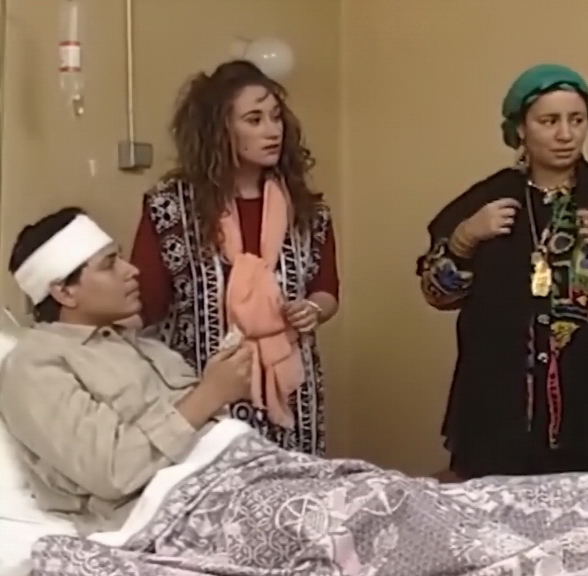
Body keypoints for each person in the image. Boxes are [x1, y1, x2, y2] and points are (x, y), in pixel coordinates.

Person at [416, 64, 588, 480]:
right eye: (549, 121)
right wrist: (464, 239)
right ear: (520, 128)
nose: (565, 134)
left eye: (577, 120)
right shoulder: (487, 200)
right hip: (500, 410)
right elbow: (437, 294)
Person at [129, 59, 338, 455]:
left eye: (276, 117)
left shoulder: (308, 210)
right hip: (202, 393)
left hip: (292, 391)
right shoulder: (171, 208)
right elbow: (146, 303)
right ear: (219, 129)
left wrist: (313, 309)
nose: (272, 130)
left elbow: (326, 289)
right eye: (254, 120)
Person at [0, 208, 253, 534]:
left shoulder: (146, 347)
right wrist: (208, 395)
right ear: (64, 291)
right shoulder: (34, 366)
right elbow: (112, 472)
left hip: (240, 475)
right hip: (175, 514)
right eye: (109, 264)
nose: (132, 270)